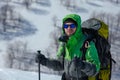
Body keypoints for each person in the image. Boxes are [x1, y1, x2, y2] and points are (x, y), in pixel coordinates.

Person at [35, 14, 100, 80]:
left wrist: (83, 65)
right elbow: (60, 64)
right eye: (66, 26)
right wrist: (44, 61)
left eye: (72, 25)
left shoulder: (87, 43)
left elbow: (95, 69)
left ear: (77, 27)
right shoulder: (64, 42)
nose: (69, 28)